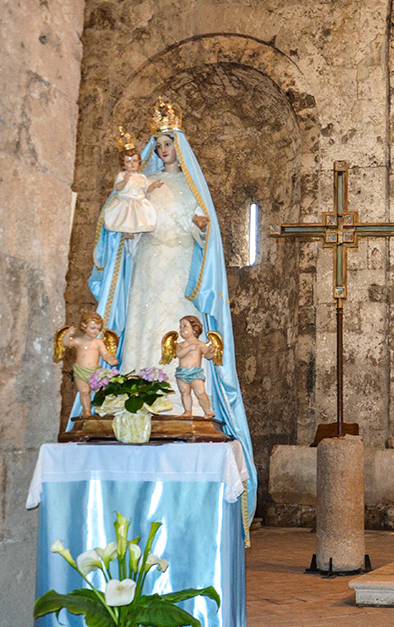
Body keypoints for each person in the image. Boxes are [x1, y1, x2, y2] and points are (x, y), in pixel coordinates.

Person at [81, 99, 257, 533]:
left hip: (180, 274)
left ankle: (182, 411)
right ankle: (130, 405)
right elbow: (121, 231)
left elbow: (208, 242)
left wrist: (201, 228)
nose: (162, 150)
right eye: (157, 144)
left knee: (179, 337)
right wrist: (132, 198)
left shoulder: (193, 187)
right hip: (145, 273)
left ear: (179, 146)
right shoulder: (140, 181)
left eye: (168, 143)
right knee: (142, 330)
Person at [56, 311, 119, 417]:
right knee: (84, 391)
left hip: (94, 372)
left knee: (100, 391)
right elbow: (66, 343)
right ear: (84, 326)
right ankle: (86, 411)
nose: (96, 332)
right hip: (80, 370)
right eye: (92, 328)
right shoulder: (78, 341)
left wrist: (110, 359)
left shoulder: (98, 342)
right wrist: (68, 334)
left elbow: (105, 354)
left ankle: (104, 410)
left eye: (98, 329)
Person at [102, 126, 160, 237]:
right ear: (123, 164)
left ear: (139, 162)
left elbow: (147, 189)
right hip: (125, 201)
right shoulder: (122, 175)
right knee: (126, 216)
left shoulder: (141, 177)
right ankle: (129, 231)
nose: (132, 164)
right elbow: (118, 188)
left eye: (134, 161)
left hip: (139, 202)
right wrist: (124, 181)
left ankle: (135, 231)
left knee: (141, 216)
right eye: (128, 162)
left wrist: (154, 185)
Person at [170, 315, 216, 418]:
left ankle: (208, 411)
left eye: (185, 326)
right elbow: (179, 354)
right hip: (182, 373)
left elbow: (208, 356)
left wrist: (211, 351)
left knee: (200, 392)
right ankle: (187, 411)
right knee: (185, 392)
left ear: (194, 328)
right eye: (180, 326)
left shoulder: (200, 344)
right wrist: (189, 348)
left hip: (195, 372)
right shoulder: (180, 345)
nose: (182, 329)